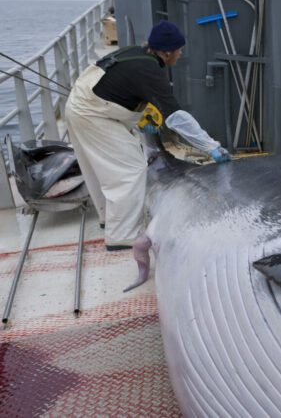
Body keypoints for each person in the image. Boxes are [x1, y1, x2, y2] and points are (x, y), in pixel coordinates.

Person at [65, 20, 230, 265]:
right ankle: (122, 235)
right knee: (130, 169)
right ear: (166, 52)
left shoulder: (139, 55)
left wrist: (141, 118)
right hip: (92, 115)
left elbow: (121, 87)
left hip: (81, 106)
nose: (180, 54)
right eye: (179, 50)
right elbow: (177, 118)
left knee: (97, 168)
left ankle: (108, 218)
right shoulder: (151, 71)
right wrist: (210, 146)